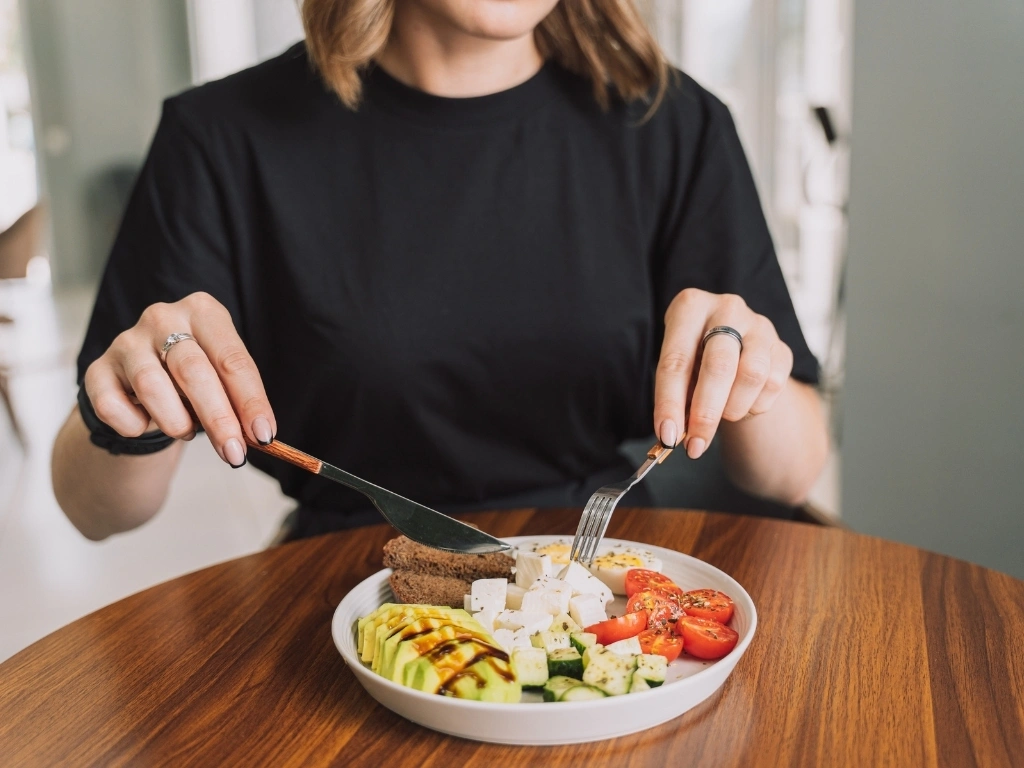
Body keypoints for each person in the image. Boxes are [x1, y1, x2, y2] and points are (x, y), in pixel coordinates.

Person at [51, 0, 828, 541]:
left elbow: (789, 477)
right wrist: (125, 408)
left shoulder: (675, 125)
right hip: (337, 598)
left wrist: (751, 375)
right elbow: (93, 511)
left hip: (600, 586)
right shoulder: (218, 141)